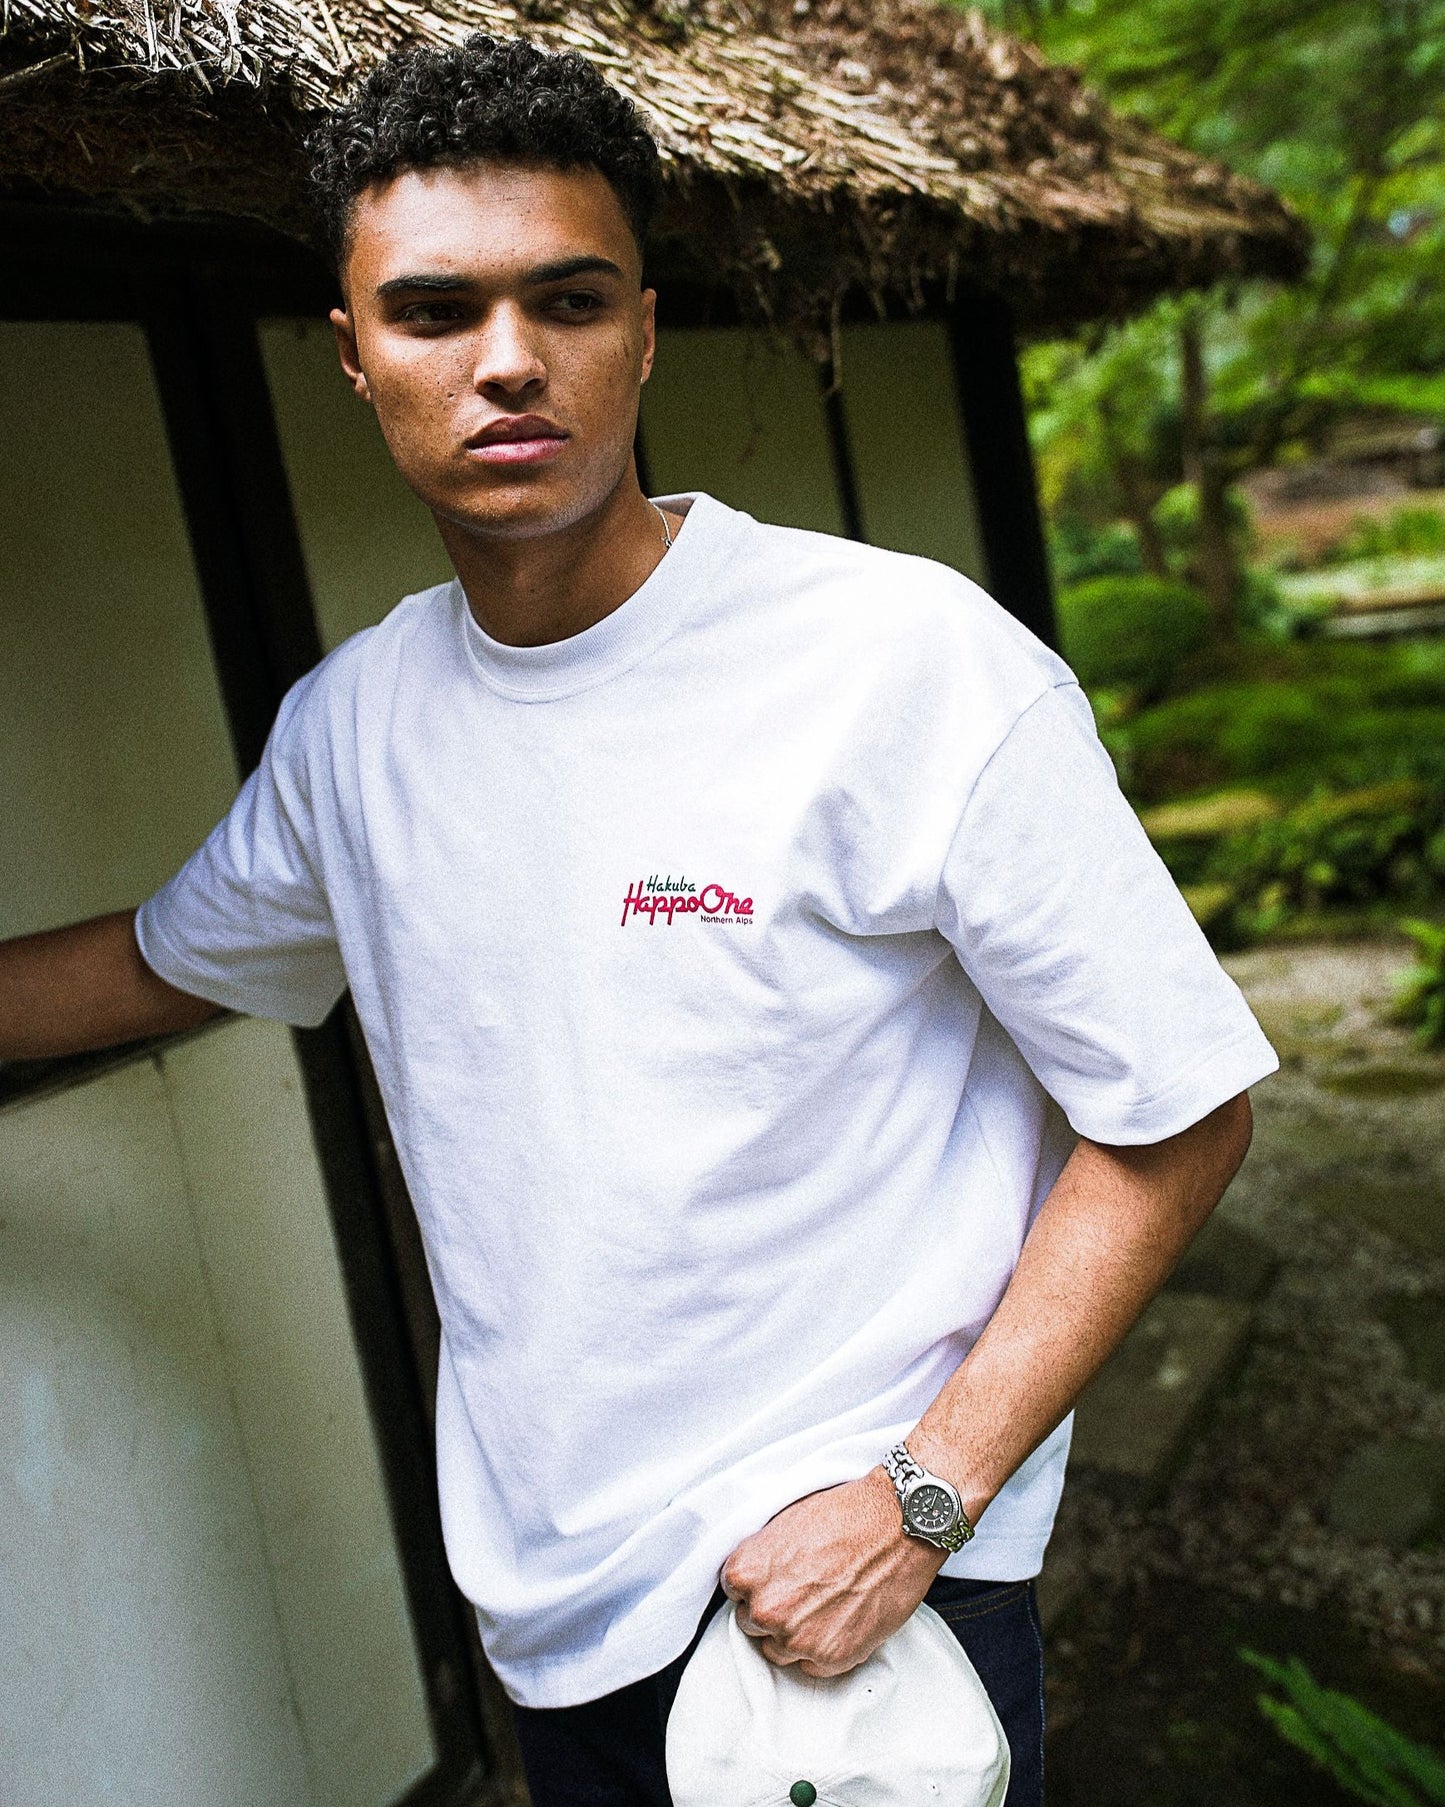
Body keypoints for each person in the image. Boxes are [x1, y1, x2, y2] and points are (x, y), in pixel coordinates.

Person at [0, 33, 1277, 1807]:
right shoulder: (353, 733)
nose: (506, 360)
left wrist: (923, 1498)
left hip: (857, 1590)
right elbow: (157, 962)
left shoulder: (901, 662)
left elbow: (1178, 1111)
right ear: (352, 356)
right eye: (433, 312)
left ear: (647, 332)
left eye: (569, 300)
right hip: (556, 1616)